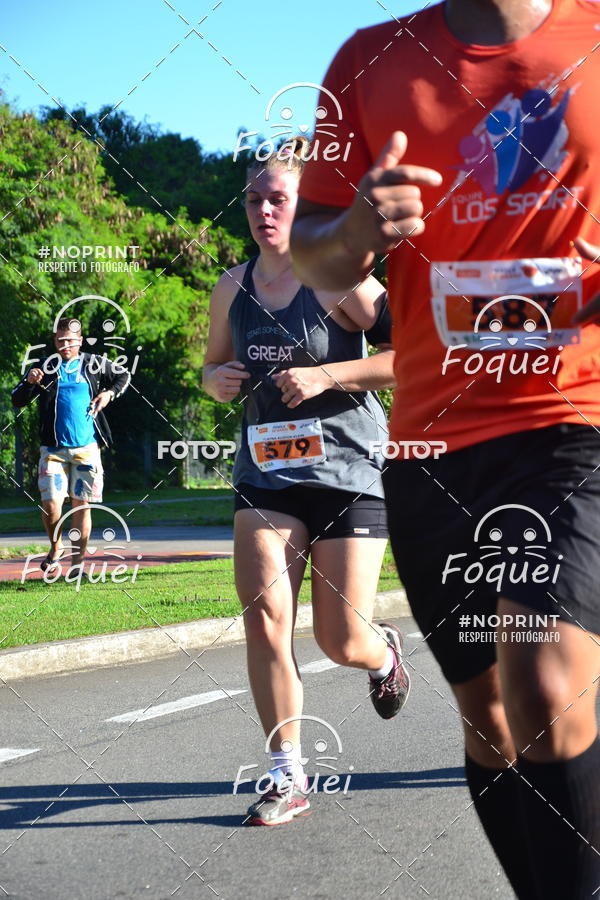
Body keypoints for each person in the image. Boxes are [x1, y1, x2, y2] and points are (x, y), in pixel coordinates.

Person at [291, 0, 600, 896]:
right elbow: (318, 256)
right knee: (491, 718)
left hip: (570, 418)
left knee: (542, 681)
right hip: (431, 441)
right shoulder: (370, 60)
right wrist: (355, 230)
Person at [202, 140, 410, 826]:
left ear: (302, 206)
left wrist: (328, 375)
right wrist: (219, 382)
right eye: (255, 199)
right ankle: (286, 773)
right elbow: (211, 369)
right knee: (264, 614)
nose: (264, 210)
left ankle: (380, 655)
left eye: (278, 198)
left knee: (338, 638)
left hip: (347, 468)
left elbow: (413, 357)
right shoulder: (231, 287)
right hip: (266, 471)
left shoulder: (338, 278)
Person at [11, 318, 130, 574]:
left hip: (86, 449)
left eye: (70, 341)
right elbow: (17, 399)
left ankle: (78, 565)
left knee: (81, 506)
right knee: (51, 505)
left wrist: (109, 394)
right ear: (55, 341)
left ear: (80, 340)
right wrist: (30, 382)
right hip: (52, 451)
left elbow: (123, 375)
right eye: (60, 340)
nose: (65, 345)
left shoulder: (93, 363)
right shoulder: (45, 367)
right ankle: (56, 546)